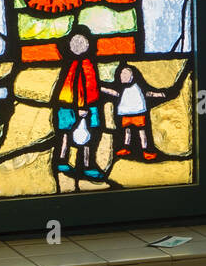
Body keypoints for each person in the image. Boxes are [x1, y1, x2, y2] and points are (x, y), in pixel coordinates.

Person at [55, 31, 104, 180]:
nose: (79, 46)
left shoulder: (87, 64)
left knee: (89, 136)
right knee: (66, 134)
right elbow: (77, 87)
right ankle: (64, 161)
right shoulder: (75, 65)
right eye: (75, 44)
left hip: (87, 105)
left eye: (82, 43)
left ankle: (86, 164)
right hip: (71, 105)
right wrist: (81, 107)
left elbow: (91, 87)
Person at [107, 64, 168, 161]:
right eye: (122, 74)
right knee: (127, 131)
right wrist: (103, 89)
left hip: (138, 112)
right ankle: (126, 148)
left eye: (125, 74)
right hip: (126, 113)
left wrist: (159, 94)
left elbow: (148, 93)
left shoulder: (138, 87)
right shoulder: (123, 89)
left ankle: (146, 150)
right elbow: (115, 93)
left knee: (142, 132)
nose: (122, 76)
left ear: (132, 76)